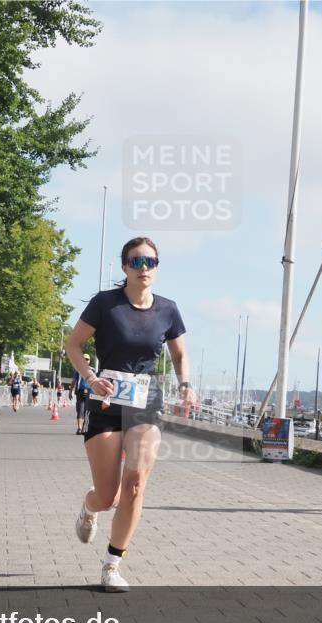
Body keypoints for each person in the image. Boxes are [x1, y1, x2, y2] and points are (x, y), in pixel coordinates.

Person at [65, 237, 195, 593]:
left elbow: (180, 355)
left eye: (150, 261)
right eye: (136, 261)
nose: (144, 268)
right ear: (124, 266)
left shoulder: (168, 310)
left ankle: (112, 564)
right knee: (109, 497)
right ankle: (89, 506)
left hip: (145, 403)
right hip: (106, 402)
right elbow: (73, 344)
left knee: (135, 483)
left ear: (157, 267)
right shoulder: (105, 304)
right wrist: (90, 378)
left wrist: (186, 384)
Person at [74, 354, 93, 435]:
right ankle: (79, 428)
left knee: (87, 410)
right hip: (80, 391)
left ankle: (84, 428)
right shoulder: (77, 369)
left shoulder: (93, 370)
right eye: (84, 359)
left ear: (89, 361)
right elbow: (74, 380)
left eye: (87, 359)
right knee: (80, 409)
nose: (85, 360)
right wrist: (71, 391)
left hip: (89, 391)